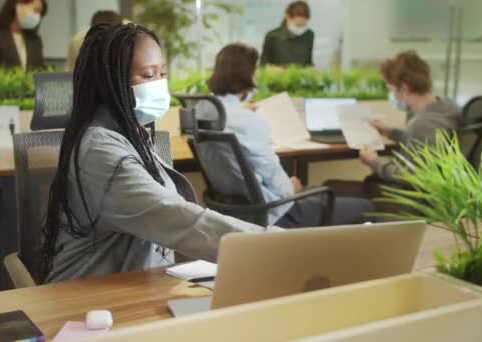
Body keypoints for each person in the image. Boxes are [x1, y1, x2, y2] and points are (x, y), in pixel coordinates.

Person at [41, 24, 274, 283]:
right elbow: (172, 216)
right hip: (87, 300)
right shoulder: (100, 151)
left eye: (162, 73)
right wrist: (271, 245)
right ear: (110, 82)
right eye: (148, 75)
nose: (160, 84)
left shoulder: (131, 135)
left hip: (139, 285)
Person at [198, 43, 374, 228]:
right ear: (245, 75)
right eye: (254, 72)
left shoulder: (204, 110)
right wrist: (292, 187)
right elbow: (278, 183)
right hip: (273, 212)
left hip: (235, 210)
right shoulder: (248, 121)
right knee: (366, 206)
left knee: (319, 191)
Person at [358, 50, 462, 182]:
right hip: (444, 190)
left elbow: (414, 178)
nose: (392, 95)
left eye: (391, 90)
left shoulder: (421, 124)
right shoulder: (447, 106)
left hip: (411, 198)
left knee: (337, 185)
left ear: (404, 89)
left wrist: (374, 161)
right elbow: (426, 143)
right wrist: (390, 132)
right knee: (370, 182)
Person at [0, 0, 48, 70]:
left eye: (40, 14)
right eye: (36, 10)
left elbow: (39, 70)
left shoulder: (35, 40)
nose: (37, 17)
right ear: (19, 4)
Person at [260, 1, 314, 66]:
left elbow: (309, 62)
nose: (300, 29)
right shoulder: (272, 36)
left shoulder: (309, 35)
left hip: (302, 75)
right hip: (278, 75)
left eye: (303, 25)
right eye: (297, 25)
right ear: (287, 17)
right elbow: (263, 64)